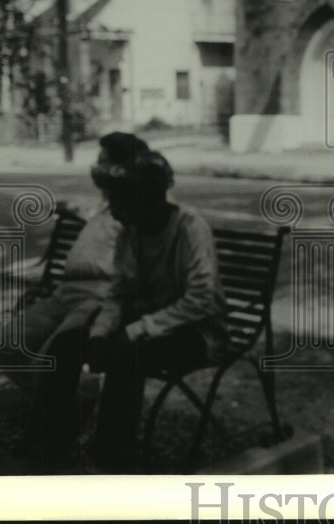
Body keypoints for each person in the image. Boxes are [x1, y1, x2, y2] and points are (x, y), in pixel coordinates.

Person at [83, 148, 228, 473]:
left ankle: (113, 459)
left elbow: (201, 299)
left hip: (200, 334)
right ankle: (93, 445)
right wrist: (100, 333)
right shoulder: (130, 232)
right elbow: (118, 293)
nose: (113, 211)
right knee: (89, 339)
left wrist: (136, 331)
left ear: (147, 198)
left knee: (128, 355)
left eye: (119, 202)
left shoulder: (189, 228)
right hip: (154, 327)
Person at [0, 133, 147, 391]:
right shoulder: (108, 203)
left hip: (97, 300)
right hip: (63, 294)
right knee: (6, 345)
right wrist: (69, 207)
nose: (96, 168)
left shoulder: (142, 208)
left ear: (122, 169)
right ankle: (69, 404)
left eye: (102, 162)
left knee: (50, 360)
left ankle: (66, 409)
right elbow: (93, 216)